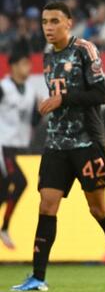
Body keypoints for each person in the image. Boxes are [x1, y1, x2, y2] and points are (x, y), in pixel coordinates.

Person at [12, 1, 105, 292]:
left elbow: (100, 94)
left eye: (55, 21)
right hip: (56, 143)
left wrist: (63, 98)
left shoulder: (85, 49)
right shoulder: (47, 57)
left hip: (86, 142)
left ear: (69, 22)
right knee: (46, 205)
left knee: (98, 208)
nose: (48, 27)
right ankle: (38, 277)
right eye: (45, 22)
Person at [0, 48, 42, 249]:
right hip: (2, 145)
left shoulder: (31, 90)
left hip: (15, 147)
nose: (28, 68)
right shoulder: (4, 88)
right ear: (14, 66)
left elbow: (33, 121)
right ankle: (5, 228)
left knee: (3, 190)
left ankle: (4, 227)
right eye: (24, 64)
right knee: (21, 182)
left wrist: (41, 111)